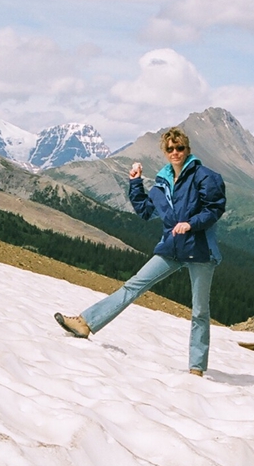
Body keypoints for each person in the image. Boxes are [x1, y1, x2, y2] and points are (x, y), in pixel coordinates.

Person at [54, 126, 226, 376]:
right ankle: (85, 323)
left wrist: (191, 223)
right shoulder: (162, 182)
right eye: (170, 148)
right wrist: (135, 182)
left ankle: (196, 368)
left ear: (188, 150)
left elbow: (214, 208)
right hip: (171, 247)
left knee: (200, 310)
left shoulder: (204, 176)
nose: (175, 152)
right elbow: (145, 211)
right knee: (133, 285)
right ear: (165, 152)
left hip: (200, 249)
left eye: (180, 148)